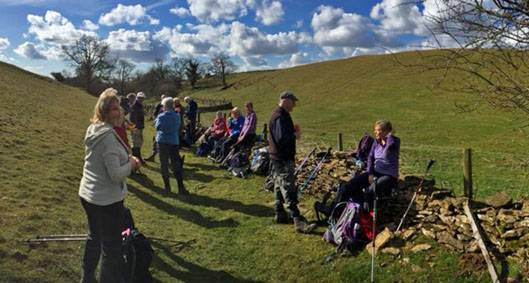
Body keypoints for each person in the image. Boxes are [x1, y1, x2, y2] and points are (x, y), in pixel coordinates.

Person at [78, 88, 141, 283]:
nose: (118, 112)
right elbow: (115, 175)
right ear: (104, 111)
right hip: (106, 200)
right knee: (111, 247)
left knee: (94, 236)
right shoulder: (108, 137)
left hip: (88, 194)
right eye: (113, 109)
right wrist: (131, 164)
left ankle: (87, 276)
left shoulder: (93, 129)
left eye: (119, 108)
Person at [317, 120, 400, 216]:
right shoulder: (375, 143)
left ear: (385, 132)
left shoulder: (394, 141)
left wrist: (389, 136)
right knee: (351, 184)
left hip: (389, 175)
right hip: (376, 172)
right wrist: (370, 173)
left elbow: (390, 144)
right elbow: (370, 158)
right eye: (375, 130)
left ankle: (366, 216)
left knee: (370, 191)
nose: (375, 132)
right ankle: (333, 210)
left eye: (378, 130)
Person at [268, 91, 317, 233]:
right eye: (293, 102)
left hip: (277, 156)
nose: (294, 105)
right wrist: (295, 135)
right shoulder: (279, 116)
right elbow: (281, 139)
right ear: (285, 101)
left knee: (278, 183)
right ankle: (298, 220)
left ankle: (280, 213)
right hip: (282, 157)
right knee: (288, 185)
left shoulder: (280, 115)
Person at [155, 97, 189, 196]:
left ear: (164, 106)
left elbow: (157, 127)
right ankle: (181, 187)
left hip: (162, 141)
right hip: (174, 142)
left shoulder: (161, 117)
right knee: (176, 165)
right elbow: (178, 126)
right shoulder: (177, 116)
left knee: (164, 165)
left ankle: (167, 188)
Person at [145, 94, 166, 162]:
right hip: (159, 127)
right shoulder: (159, 106)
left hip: (165, 129)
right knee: (156, 141)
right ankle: (153, 155)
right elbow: (155, 113)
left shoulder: (169, 108)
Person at [130, 92, 145, 163]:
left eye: (142, 98)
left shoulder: (139, 105)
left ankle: (138, 157)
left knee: (139, 142)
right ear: (137, 97)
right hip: (136, 127)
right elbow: (134, 117)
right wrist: (135, 126)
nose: (141, 99)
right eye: (140, 97)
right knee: (136, 142)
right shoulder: (135, 105)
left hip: (139, 126)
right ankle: (136, 158)